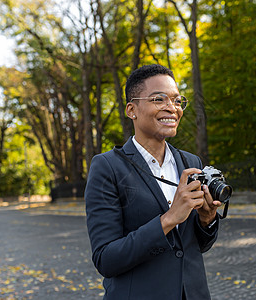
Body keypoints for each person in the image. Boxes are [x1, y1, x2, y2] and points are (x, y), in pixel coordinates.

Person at [85, 64, 221, 300]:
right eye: (159, 99)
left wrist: (207, 220)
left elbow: (195, 246)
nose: (172, 108)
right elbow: (106, 259)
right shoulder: (107, 167)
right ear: (132, 110)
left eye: (178, 101)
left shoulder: (190, 162)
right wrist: (168, 219)